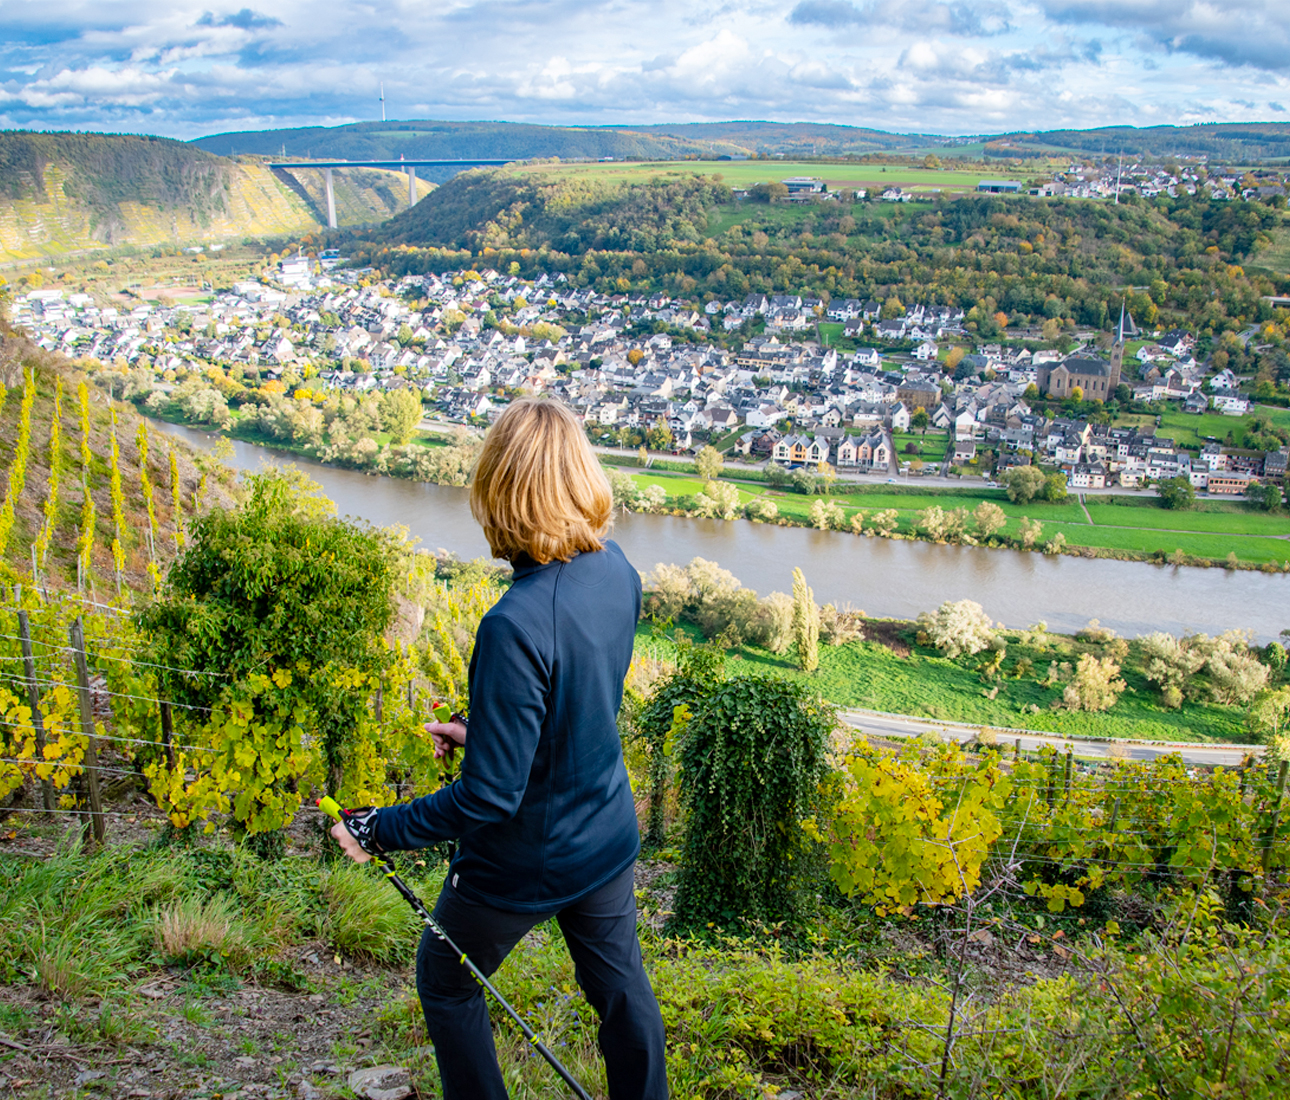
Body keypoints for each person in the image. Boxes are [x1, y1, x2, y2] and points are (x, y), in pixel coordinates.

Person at [330, 398, 667, 1100]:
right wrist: (487, 730)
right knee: (622, 996)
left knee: (447, 979)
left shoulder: (512, 622)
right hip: (603, 832)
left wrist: (374, 827)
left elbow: (488, 796)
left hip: (523, 860)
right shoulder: (620, 571)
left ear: (500, 490)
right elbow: (578, 703)